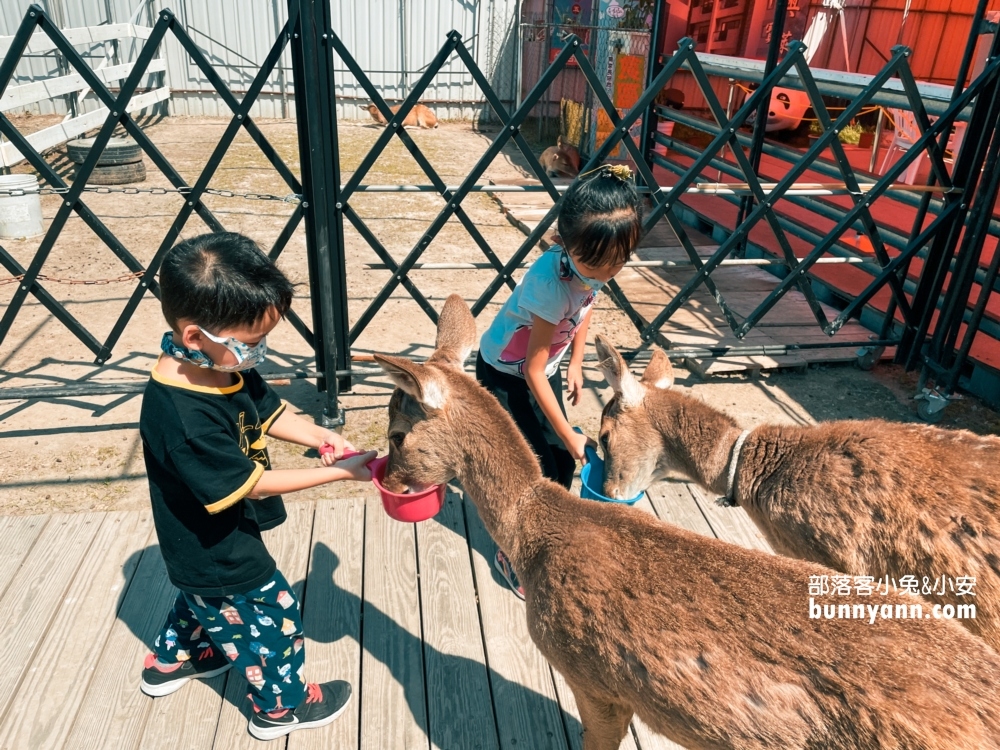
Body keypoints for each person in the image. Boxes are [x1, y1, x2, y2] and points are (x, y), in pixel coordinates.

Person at [138, 232, 375, 741]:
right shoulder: (182, 415)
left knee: (206, 602)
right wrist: (340, 472)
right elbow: (254, 485)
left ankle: (173, 661)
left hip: (203, 544)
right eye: (249, 343)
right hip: (216, 545)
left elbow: (266, 412)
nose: (258, 353)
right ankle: (280, 707)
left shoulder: (222, 368)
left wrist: (318, 435)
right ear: (195, 335)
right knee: (271, 614)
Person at [477, 164, 643, 599]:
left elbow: (585, 307)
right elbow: (530, 370)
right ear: (566, 242)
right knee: (532, 469)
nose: (606, 272)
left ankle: (546, 532)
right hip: (505, 376)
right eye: (596, 263)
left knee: (563, 463)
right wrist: (569, 431)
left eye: (618, 262)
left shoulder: (593, 268)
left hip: (541, 370)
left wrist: (576, 363)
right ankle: (511, 552)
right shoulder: (550, 283)